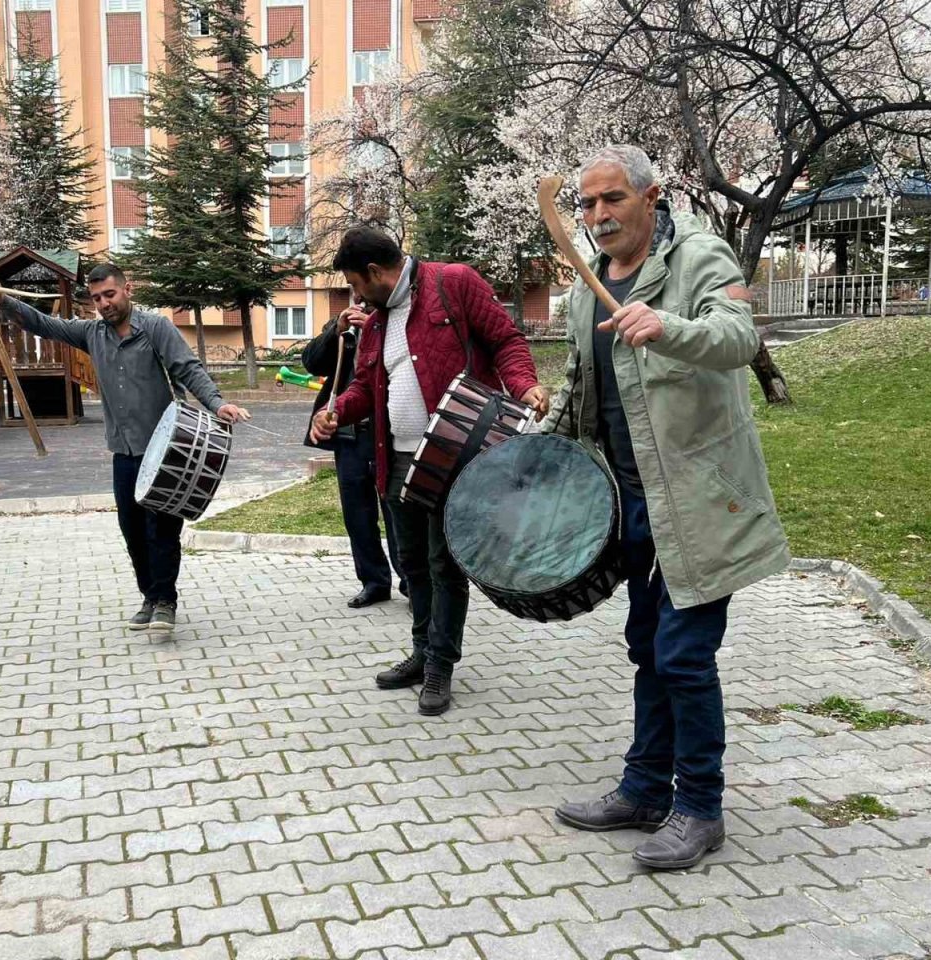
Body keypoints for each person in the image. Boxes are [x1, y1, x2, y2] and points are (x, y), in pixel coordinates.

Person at [542, 145, 790, 870]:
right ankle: (645, 790)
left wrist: (667, 327)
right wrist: (535, 447)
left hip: (701, 501)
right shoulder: (587, 289)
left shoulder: (699, 257)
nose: (598, 215)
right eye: (587, 203)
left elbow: (738, 337)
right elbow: (580, 384)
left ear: (651, 198)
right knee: (648, 648)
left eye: (613, 199)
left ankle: (701, 809)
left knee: (683, 656)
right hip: (633, 506)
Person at [310, 227, 549, 716]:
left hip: (454, 455)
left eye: (356, 285)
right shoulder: (377, 323)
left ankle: (441, 662)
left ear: (375, 272)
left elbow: (505, 340)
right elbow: (366, 388)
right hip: (397, 458)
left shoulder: (453, 283)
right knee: (413, 562)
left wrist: (524, 384)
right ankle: (421, 651)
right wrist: (336, 410)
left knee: (444, 565)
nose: (357, 297)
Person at [0, 265, 250, 634]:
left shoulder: (156, 328)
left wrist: (217, 404)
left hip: (167, 449)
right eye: (97, 298)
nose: (104, 303)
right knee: (132, 531)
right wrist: (3, 300)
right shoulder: (91, 334)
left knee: (161, 530)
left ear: (127, 290)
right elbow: (45, 325)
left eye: (110, 294)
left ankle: (165, 602)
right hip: (124, 452)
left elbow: (188, 369)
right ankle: (149, 597)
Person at [302, 307, 407, 608]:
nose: (359, 295)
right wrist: (335, 331)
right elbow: (311, 363)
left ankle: (411, 582)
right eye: (355, 289)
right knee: (357, 515)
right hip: (350, 437)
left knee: (397, 514)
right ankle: (374, 582)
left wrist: (376, 329)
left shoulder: (397, 318)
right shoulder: (344, 325)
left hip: (389, 435)